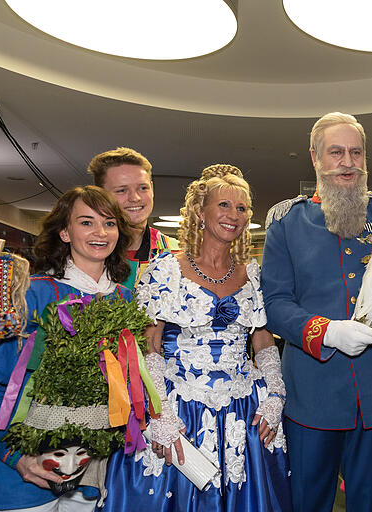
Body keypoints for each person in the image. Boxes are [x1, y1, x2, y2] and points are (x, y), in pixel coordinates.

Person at [261, 112, 372, 512]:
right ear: (315, 159)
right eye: (336, 152)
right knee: (308, 501)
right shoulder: (287, 222)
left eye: (356, 152)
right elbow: (275, 303)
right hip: (313, 392)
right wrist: (326, 332)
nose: (348, 161)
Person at [101, 165, 291, 511]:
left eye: (242, 208)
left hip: (244, 409)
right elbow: (150, 346)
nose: (234, 215)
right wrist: (159, 414)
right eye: (224, 205)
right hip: (179, 406)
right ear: (201, 212)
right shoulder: (164, 270)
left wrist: (276, 394)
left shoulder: (254, 275)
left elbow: (263, 342)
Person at [0, 186, 134, 511]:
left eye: (109, 223)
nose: (100, 233)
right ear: (64, 232)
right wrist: (17, 456)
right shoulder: (31, 296)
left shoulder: (125, 300)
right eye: (86, 222)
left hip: (93, 475)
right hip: (26, 477)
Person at [88, 146, 178, 288]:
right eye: (122, 190)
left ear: (152, 189)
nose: (135, 198)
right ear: (100, 195)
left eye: (143, 188)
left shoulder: (178, 253)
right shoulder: (83, 255)